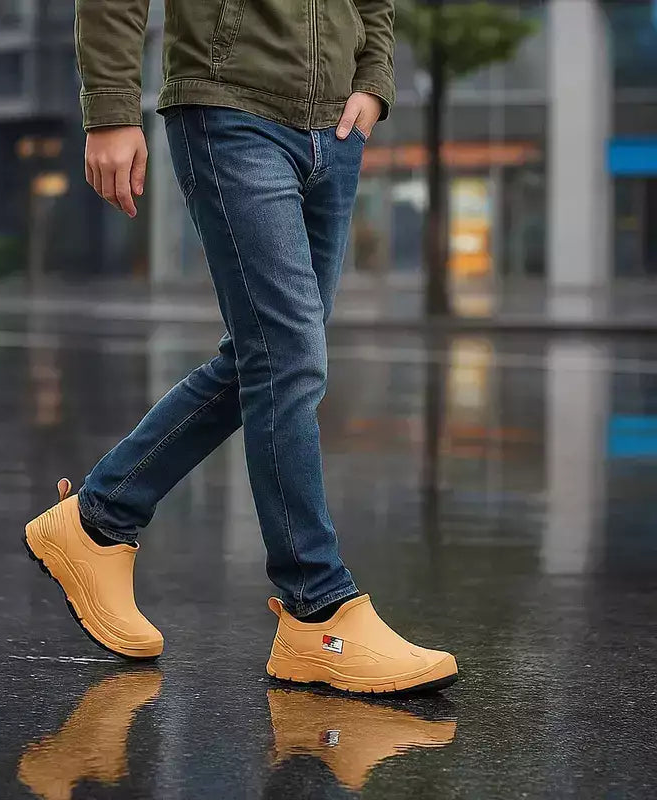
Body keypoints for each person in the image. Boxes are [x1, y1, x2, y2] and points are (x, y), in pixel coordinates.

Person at [24, 0, 458, 694]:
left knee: (270, 354)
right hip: (231, 109)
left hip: (336, 129)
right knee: (288, 357)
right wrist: (110, 108)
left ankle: (97, 521)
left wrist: (373, 79)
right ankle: (318, 608)